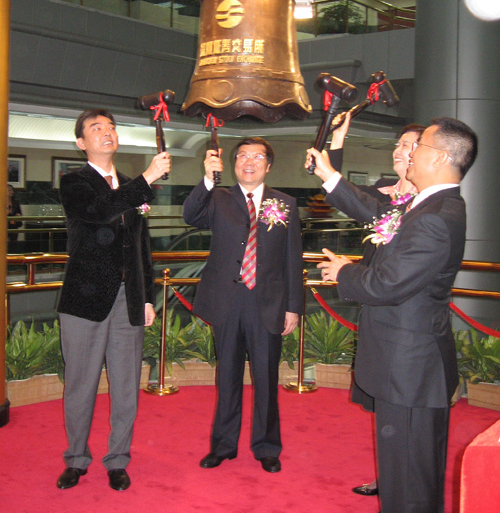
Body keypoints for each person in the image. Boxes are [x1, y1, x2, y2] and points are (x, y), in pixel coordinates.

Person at [306, 117, 478, 513]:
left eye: (418, 147)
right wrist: (330, 170)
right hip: (406, 365)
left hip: (411, 369)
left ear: (440, 158)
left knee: (409, 482)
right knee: (407, 474)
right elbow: (375, 214)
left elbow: (387, 284)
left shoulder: (435, 216)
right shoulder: (427, 205)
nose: (409, 153)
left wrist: (344, 272)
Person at [56, 109, 171, 492]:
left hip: (128, 300)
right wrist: (147, 178)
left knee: (125, 386)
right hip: (83, 300)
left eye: (111, 127)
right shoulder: (73, 181)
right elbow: (98, 212)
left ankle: (118, 459)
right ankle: (76, 458)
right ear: (81, 142)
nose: (107, 132)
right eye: (96, 128)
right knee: (80, 384)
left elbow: (142, 247)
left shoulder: (130, 185)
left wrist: (147, 298)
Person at [183, 137, 302, 473]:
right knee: (227, 377)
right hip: (228, 300)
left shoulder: (285, 203)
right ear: (234, 163)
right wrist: (208, 178)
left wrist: (293, 306)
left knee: (266, 378)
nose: (249, 162)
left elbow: (293, 258)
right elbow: (191, 215)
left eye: (257, 157)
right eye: (243, 156)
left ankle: (267, 446)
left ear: (268, 165)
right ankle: (223, 445)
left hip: (268, 303)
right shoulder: (218, 197)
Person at [329, 115, 425, 498]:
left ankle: (403, 483)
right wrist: (338, 139)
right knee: (384, 401)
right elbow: (336, 187)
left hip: (404, 313)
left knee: (402, 400)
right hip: (374, 302)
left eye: (408, 145)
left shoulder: (425, 205)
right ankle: (390, 476)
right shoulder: (382, 194)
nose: (399, 151)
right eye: (398, 144)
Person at [7, 184, 23, 251]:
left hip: (13, 226)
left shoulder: (15, 202)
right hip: (3, 226)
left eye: (12, 190)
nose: (11, 192)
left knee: (13, 245)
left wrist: (18, 215)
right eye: (9, 190)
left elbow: (19, 213)